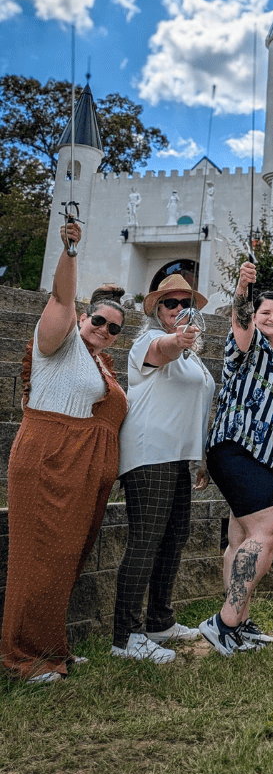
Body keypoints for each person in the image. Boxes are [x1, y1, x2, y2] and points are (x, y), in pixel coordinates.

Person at [1, 222, 128, 683]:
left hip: (79, 464)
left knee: (62, 559)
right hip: (47, 455)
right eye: (98, 320)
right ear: (82, 318)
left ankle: (51, 647)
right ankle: (22, 657)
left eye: (114, 328)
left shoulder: (99, 362)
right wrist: (71, 251)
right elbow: (59, 298)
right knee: (37, 558)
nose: (105, 330)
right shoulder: (57, 341)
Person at [200, 262, 273, 656]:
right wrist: (244, 291)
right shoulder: (246, 346)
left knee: (241, 539)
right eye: (266, 311)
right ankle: (224, 622)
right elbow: (241, 321)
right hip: (239, 447)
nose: (272, 316)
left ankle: (240, 624)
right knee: (268, 529)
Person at [110, 275, 215, 664]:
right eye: (171, 304)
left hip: (178, 457)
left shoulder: (194, 356)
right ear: (157, 310)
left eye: (186, 304)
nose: (179, 310)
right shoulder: (147, 342)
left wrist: (200, 456)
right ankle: (125, 637)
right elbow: (163, 349)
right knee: (146, 541)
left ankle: (159, 620)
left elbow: (198, 406)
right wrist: (179, 339)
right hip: (148, 453)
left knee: (174, 538)